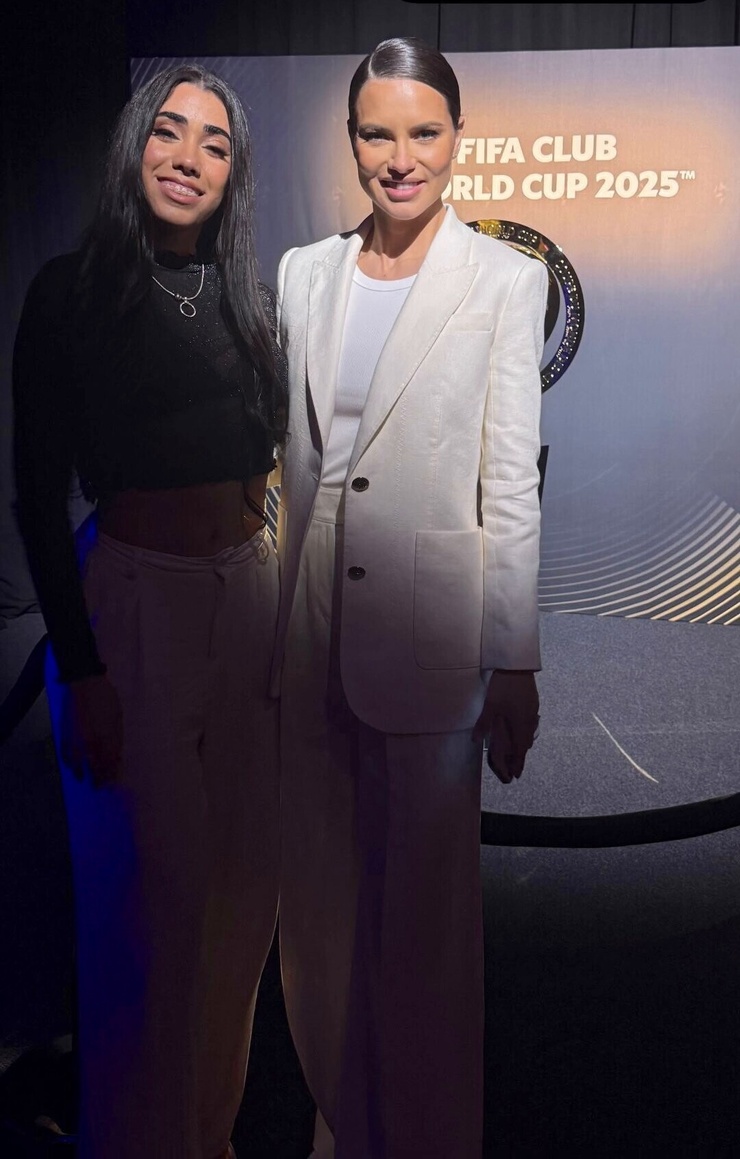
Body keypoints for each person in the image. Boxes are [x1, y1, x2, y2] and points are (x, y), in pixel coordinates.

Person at [273, 36, 546, 1159]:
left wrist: (514, 656)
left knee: (426, 930)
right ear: (350, 140)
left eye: (423, 132)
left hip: (431, 628)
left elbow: (508, 480)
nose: (401, 157)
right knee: (318, 916)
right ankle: (345, 1126)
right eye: (378, 133)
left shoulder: (505, 281)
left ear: (457, 137)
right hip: (306, 622)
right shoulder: (303, 272)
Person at [12, 64, 287, 1159]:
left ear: (234, 172)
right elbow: (37, 498)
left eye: (214, 144)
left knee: (243, 912)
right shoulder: (69, 293)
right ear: (134, 146)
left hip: (250, 596)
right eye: (169, 132)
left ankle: (205, 1139)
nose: (187, 158)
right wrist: (81, 669)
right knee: (146, 922)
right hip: (134, 610)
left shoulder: (247, 300)